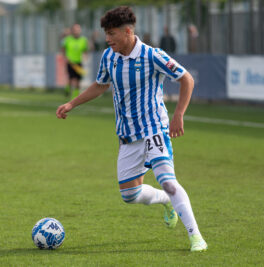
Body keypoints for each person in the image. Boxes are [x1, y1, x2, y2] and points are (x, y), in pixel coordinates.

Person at [56, 6, 207, 252]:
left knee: (168, 181)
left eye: (112, 33)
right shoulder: (108, 57)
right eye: (106, 33)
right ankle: (166, 201)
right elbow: (100, 85)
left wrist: (178, 114)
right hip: (127, 136)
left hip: (154, 130)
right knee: (130, 196)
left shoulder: (152, 55)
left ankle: (196, 237)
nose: (107, 39)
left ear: (127, 32)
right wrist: (72, 103)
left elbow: (186, 79)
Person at [61, 24, 88, 99]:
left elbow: (85, 50)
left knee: (78, 80)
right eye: (75, 30)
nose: (77, 31)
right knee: (71, 79)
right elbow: (63, 49)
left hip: (79, 62)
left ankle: (75, 95)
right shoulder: (67, 39)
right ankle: (68, 90)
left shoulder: (83, 40)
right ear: (72, 31)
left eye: (78, 29)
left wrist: (85, 57)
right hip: (70, 62)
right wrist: (65, 57)